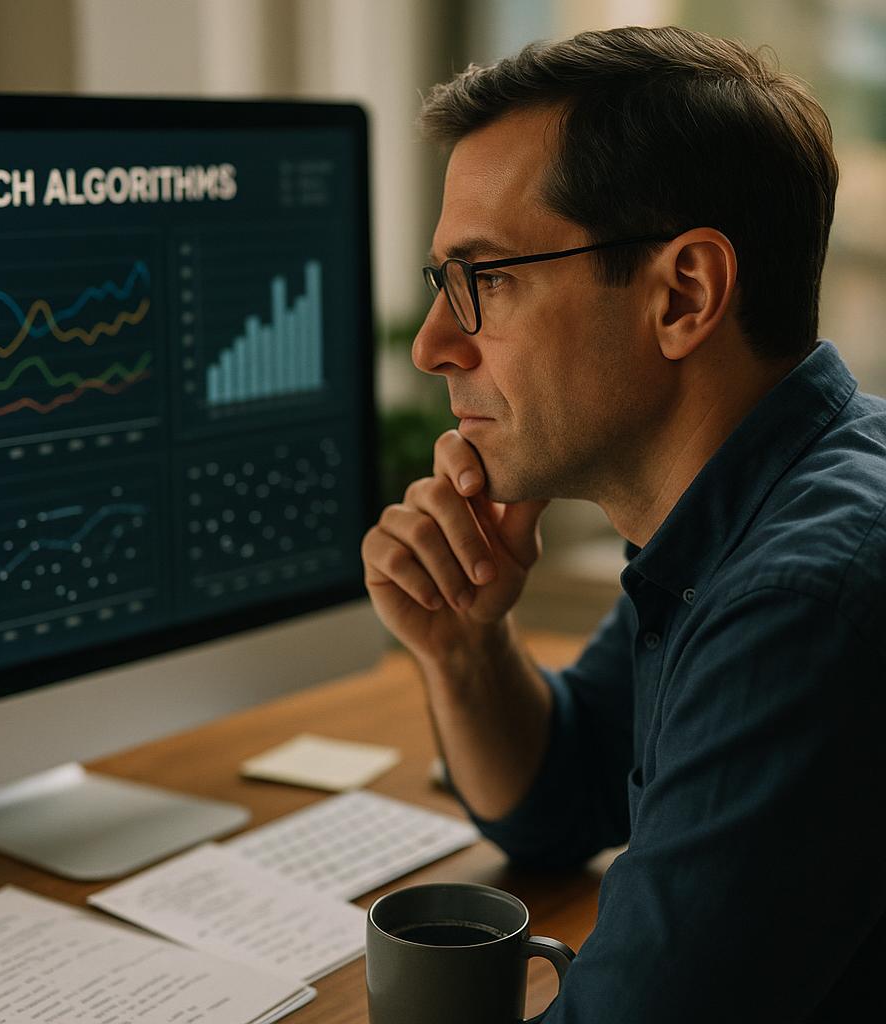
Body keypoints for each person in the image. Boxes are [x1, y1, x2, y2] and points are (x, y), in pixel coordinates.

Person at [361, 24, 886, 1022]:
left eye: (486, 279)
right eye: (444, 283)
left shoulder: (802, 600)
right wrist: (464, 643)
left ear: (681, 293)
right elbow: (563, 794)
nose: (434, 344)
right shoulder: (742, 507)